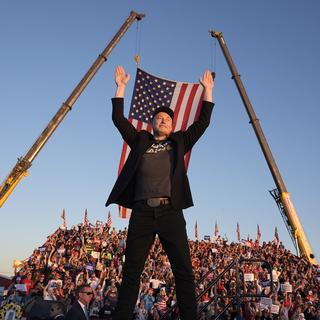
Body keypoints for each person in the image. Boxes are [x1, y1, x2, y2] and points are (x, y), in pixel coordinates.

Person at [105, 65, 214, 320]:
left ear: (173, 125)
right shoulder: (141, 140)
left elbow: (203, 122)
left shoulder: (179, 142)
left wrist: (208, 90)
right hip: (142, 212)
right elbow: (119, 120)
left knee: (183, 271)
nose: (163, 120)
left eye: (167, 119)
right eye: (158, 118)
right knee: (131, 271)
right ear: (152, 123)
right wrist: (120, 86)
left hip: (170, 212)